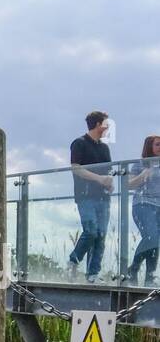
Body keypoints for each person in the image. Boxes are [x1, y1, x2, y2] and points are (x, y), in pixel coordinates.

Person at [68, 111, 115, 283]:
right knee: (91, 231)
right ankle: (73, 261)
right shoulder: (79, 143)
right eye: (106, 123)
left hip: (103, 197)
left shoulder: (104, 147)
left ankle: (93, 273)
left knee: (101, 235)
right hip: (85, 196)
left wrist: (109, 183)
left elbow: (108, 170)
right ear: (97, 124)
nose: (108, 126)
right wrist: (99, 179)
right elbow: (76, 168)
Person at [127, 135, 160, 285]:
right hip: (143, 204)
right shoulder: (140, 164)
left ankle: (149, 277)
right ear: (149, 147)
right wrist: (143, 175)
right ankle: (133, 269)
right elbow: (129, 184)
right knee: (152, 237)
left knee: (155, 241)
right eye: (158, 144)